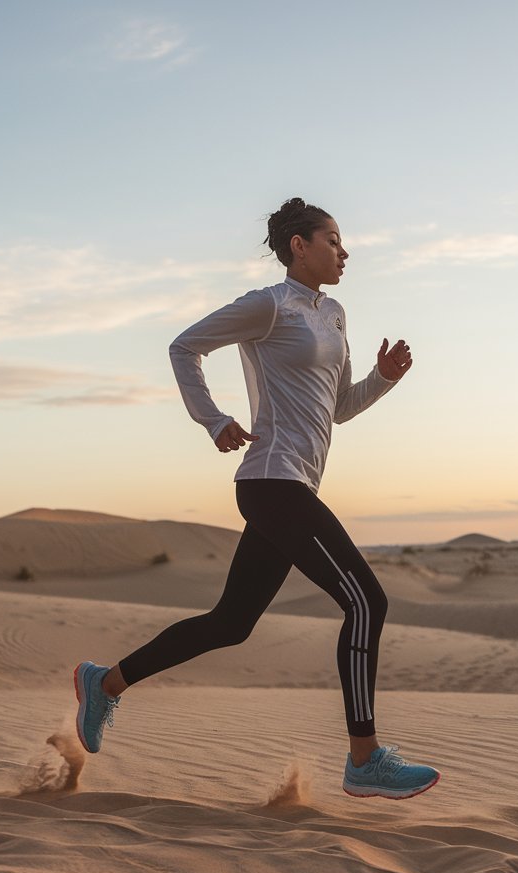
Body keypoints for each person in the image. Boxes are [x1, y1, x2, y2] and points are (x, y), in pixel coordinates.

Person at [73, 198, 440, 799]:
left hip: (295, 483)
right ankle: (364, 757)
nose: (344, 253)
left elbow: (338, 409)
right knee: (368, 602)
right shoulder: (267, 305)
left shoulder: (336, 315)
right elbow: (183, 347)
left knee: (231, 623)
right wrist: (213, 419)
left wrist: (384, 380)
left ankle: (104, 683)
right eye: (333, 240)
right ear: (299, 245)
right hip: (272, 480)